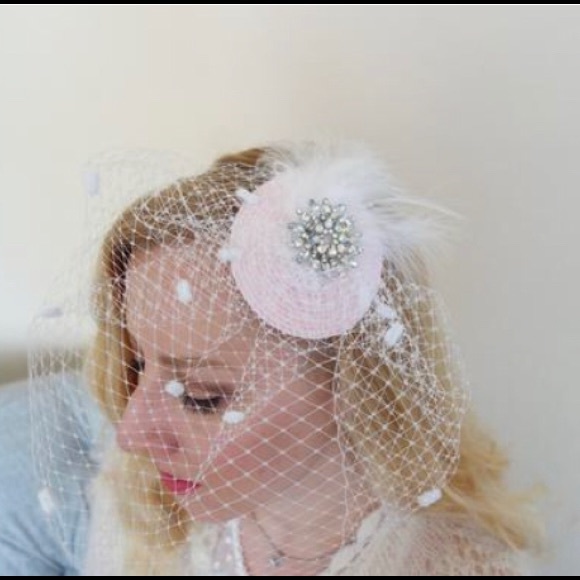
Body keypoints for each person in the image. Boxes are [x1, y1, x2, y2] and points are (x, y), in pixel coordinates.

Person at [22, 142, 538, 576]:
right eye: (137, 366)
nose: (132, 433)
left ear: (348, 382)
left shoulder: (453, 566)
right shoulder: (140, 494)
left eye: (200, 396)